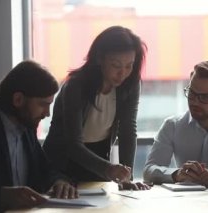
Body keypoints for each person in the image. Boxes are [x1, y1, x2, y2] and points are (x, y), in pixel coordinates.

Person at [0, 61, 77, 212]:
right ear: (18, 100)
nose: (47, 113)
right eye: (43, 104)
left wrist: (59, 181)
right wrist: (1, 197)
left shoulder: (27, 127)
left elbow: (45, 170)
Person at [43, 26, 149, 190]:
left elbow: (128, 130)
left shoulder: (130, 84)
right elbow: (73, 144)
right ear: (99, 59)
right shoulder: (76, 85)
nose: (123, 73)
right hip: (63, 162)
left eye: (129, 66)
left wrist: (126, 177)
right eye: (116, 66)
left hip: (98, 157)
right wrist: (108, 169)